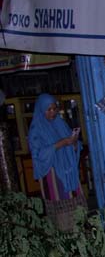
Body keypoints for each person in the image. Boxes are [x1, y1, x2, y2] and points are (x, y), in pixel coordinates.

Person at [27, 93, 86, 230]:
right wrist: (60, 144)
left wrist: (74, 144)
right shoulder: (36, 129)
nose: (52, 112)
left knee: (76, 208)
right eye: (49, 109)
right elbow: (38, 154)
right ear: (41, 110)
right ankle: (65, 237)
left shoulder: (60, 123)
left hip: (69, 172)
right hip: (52, 174)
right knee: (61, 213)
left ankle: (80, 234)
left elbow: (74, 145)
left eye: (54, 108)